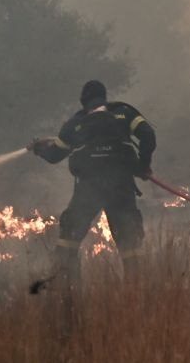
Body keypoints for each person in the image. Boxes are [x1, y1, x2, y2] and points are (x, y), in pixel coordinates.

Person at [30, 80, 156, 286]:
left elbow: (54, 155)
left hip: (89, 187)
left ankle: (68, 293)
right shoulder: (124, 113)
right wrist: (143, 165)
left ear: (83, 101)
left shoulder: (74, 123)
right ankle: (137, 296)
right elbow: (148, 135)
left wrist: (38, 149)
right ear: (104, 97)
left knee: (68, 241)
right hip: (121, 186)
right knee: (129, 245)